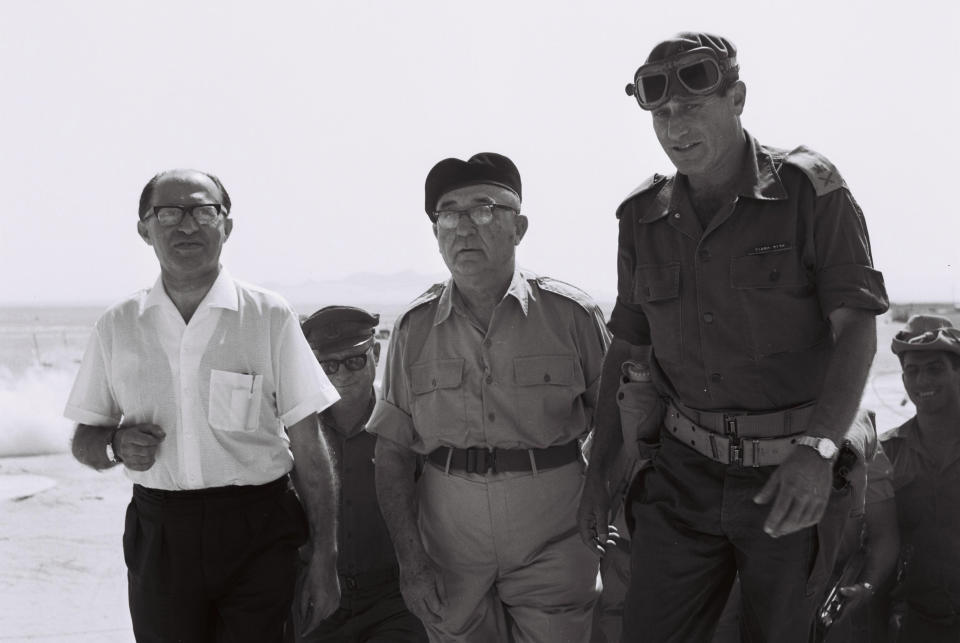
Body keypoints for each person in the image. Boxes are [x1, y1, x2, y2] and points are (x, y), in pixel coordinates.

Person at [577, 32, 889, 642]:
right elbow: (628, 347)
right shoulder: (642, 217)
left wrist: (819, 451)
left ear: (737, 98)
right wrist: (598, 471)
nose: (675, 126)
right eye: (661, 114)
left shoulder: (809, 193)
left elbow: (858, 329)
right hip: (682, 476)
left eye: (693, 107)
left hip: (790, 476)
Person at [65, 169, 341, 642]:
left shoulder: (269, 316)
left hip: (260, 527)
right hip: (161, 534)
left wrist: (325, 558)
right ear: (144, 229)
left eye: (203, 211)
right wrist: (114, 445)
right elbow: (84, 443)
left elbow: (310, 448)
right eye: (168, 212)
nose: (186, 225)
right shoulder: (117, 326)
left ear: (226, 226)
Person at [368, 152, 610, 642]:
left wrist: (602, 501)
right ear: (435, 232)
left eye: (483, 210)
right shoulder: (414, 330)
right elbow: (391, 453)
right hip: (450, 543)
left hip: (556, 534)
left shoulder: (572, 316)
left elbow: (617, 425)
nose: (463, 227)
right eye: (448, 214)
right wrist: (411, 561)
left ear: (519, 227)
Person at [288, 306, 427, 642]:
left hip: (393, 599)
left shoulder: (407, 428)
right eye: (328, 365)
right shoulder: (295, 437)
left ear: (376, 352)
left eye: (354, 360)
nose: (342, 375)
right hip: (317, 596)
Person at [880, 314, 960, 642]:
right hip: (918, 624)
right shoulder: (884, 452)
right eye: (911, 371)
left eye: (935, 368)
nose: (922, 381)